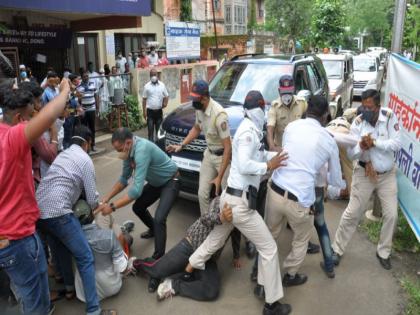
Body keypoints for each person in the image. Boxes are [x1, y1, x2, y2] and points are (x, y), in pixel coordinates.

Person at [186, 91, 291, 315]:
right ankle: (271, 303)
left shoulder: (251, 130)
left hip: (231, 199)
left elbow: (255, 156)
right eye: (260, 109)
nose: (263, 113)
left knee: (215, 239)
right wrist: (268, 166)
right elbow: (244, 165)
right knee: (269, 248)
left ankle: (190, 267)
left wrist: (273, 155)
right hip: (239, 204)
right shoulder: (246, 133)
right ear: (253, 110)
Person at [0, 75, 70, 315]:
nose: (33, 120)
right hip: (16, 239)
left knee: (34, 291)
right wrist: (65, 90)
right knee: (34, 304)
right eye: (30, 117)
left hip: (17, 236)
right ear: (20, 119)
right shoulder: (12, 139)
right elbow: (51, 114)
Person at [36, 126, 117, 315]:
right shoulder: (84, 159)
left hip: (38, 211)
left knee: (60, 248)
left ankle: (69, 289)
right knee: (85, 256)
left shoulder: (62, 156)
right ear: (87, 143)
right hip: (59, 212)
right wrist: (100, 203)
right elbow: (90, 200)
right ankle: (94, 310)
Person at [264, 95, 342, 288]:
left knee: (269, 236)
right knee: (301, 239)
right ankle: (290, 275)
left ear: (307, 110)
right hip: (299, 198)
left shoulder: (292, 127)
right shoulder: (328, 140)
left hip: (275, 189)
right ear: (325, 115)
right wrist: (330, 191)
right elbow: (334, 183)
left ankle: (260, 275)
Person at [332, 89, 401, 270]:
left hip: (386, 175)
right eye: (364, 106)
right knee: (352, 212)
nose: (366, 109)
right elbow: (351, 152)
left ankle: (383, 251)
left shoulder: (389, 116)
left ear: (378, 106)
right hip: (363, 173)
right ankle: (337, 249)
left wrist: (375, 143)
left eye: (370, 106)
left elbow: (396, 144)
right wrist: (361, 147)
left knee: (391, 215)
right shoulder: (358, 121)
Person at [95, 128, 180, 274]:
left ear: (128, 143)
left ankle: (158, 259)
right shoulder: (128, 153)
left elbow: (136, 191)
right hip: (156, 182)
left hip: (171, 180)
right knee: (138, 207)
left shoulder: (141, 150)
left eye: (119, 149)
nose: (118, 152)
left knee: (160, 218)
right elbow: (123, 179)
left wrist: (112, 206)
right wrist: (107, 197)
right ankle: (154, 229)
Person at [134, 197, 232, 301]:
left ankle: (173, 285)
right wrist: (220, 218)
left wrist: (237, 257)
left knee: (211, 290)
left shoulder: (241, 212)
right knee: (157, 270)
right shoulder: (220, 200)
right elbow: (205, 219)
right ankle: (135, 263)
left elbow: (235, 233)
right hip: (190, 247)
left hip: (207, 258)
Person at [266, 74, 320, 255]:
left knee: (302, 196)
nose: (287, 96)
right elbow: (270, 128)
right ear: (279, 91)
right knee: (283, 192)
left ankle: (304, 239)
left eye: (290, 92)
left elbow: (309, 122)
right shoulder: (274, 107)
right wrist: (273, 146)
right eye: (284, 92)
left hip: (301, 156)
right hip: (283, 156)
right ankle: (273, 238)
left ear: (293, 91)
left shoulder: (302, 103)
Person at [167, 80, 231, 214]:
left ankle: (228, 230)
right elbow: (196, 129)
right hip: (209, 155)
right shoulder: (199, 110)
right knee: (202, 194)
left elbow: (228, 148)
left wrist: (219, 176)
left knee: (227, 197)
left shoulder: (219, 115)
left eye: (196, 99)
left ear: (205, 98)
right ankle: (206, 224)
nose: (193, 102)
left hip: (222, 158)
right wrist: (181, 145)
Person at [73, 200, 135, 303]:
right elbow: (122, 268)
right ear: (92, 215)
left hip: (84, 293)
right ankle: (122, 230)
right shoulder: (109, 235)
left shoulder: (69, 240)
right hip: (111, 287)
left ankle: (122, 231)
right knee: (124, 237)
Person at [142, 68, 169, 142]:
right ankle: (150, 148)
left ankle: (158, 148)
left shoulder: (162, 85)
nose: (153, 76)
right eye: (152, 75)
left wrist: (165, 103)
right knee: (150, 132)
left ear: (157, 75)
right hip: (150, 113)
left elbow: (166, 95)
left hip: (159, 113)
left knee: (159, 133)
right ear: (150, 76)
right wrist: (144, 112)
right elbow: (144, 99)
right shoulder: (146, 86)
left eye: (154, 74)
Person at [77, 70, 99, 151]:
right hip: (84, 111)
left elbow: (96, 96)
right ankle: (86, 146)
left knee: (92, 128)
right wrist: (80, 108)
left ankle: (93, 145)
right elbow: (78, 100)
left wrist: (97, 107)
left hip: (92, 109)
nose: (86, 77)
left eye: (87, 76)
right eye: (84, 76)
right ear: (82, 77)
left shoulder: (93, 84)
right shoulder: (79, 87)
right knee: (84, 129)